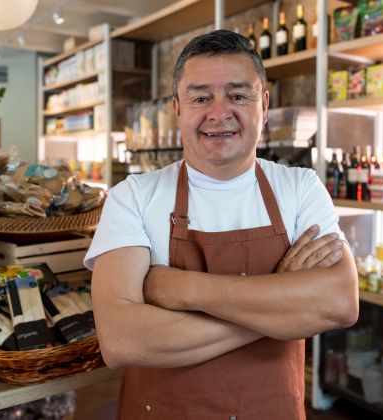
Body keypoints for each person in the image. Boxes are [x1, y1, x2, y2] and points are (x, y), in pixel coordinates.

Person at [84, 29, 358, 420]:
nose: (219, 112)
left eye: (237, 95)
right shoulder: (133, 195)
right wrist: (279, 306)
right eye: (200, 98)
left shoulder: (300, 188)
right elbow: (122, 339)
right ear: (178, 109)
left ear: (263, 104)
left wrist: (185, 289)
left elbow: (340, 304)